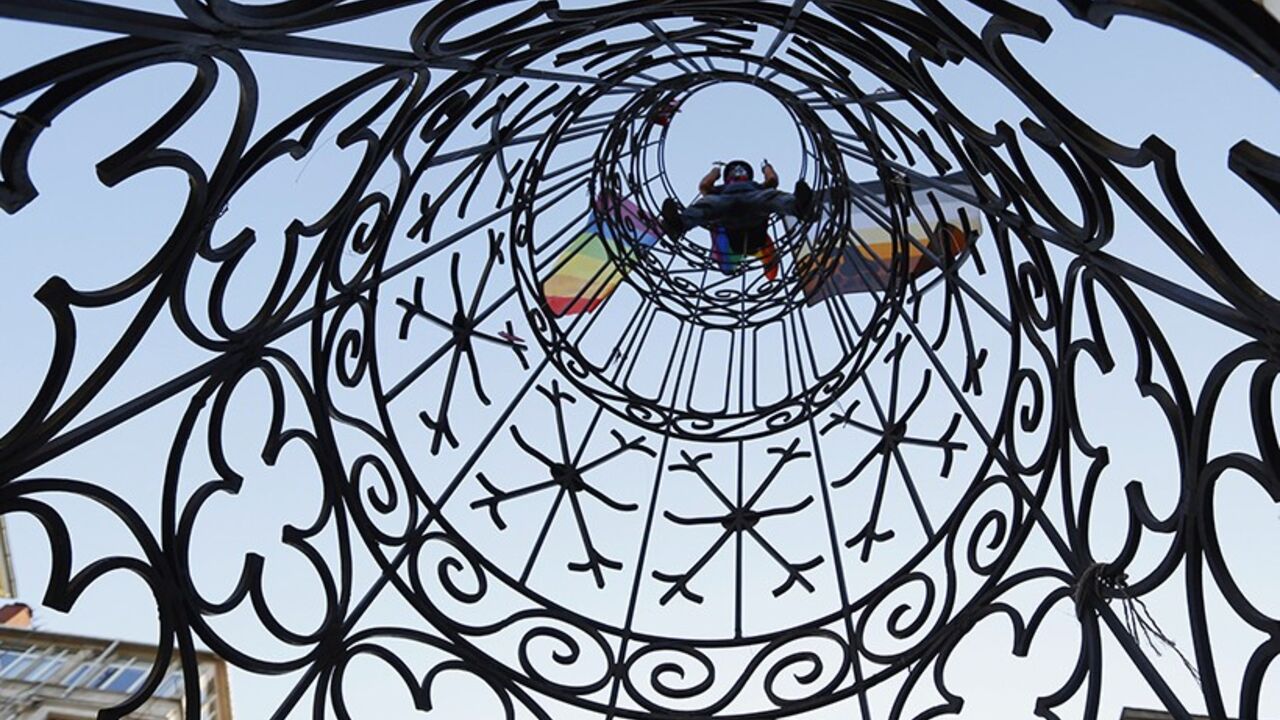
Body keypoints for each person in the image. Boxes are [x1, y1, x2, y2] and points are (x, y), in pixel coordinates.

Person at [659, 160, 813, 260]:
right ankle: (678, 224)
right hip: (727, 208)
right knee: (707, 204)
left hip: (753, 205)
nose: (738, 170)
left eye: (741, 169)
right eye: (733, 169)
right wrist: (715, 171)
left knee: (770, 196)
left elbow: (772, 181)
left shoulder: (756, 186)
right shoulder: (721, 189)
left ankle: (800, 207)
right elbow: (704, 187)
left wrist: (767, 168)